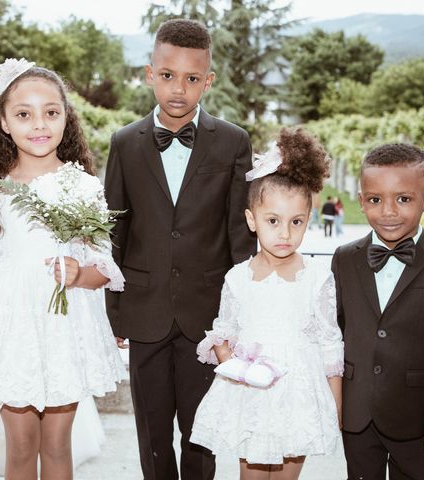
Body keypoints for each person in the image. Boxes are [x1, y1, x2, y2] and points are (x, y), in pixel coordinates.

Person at [0, 58, 126, 480]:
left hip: (61, 327)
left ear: (65, 118)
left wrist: (77, 274)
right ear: (3, 122)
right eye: (23, 114)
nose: (39, 124)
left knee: (56, 446)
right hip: (10, 328)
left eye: (51, 112)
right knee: (19, 449)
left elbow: (104, 270)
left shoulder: (83, 186)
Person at [104, 19, 256, 480]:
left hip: (206, 319)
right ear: (150, 74)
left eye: (192, 79)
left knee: (200, 432)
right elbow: (115, 231)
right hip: (144, 312)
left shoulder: (232, 142)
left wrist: (238, 317)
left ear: (207, 82)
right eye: (168, 75)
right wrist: (114, 315)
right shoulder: (125, 143)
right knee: (151, 433)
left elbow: (239, 238)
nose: (178, 88)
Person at [190, 127, 343, 480]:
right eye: (273, 221)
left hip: (298, 399)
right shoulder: (237, 278)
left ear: (309, 220)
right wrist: (235, 360)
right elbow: (223, 335)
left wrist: (335, 408)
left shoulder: (317, 277)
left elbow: (330, 345)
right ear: (252, 221)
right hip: (253, 397)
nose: (285, 234)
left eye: (296, 222)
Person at [331, 143, 424, 480]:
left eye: (404, 199)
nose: (389, 211)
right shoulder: (344, 257)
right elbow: (335, 332)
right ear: (362, 201)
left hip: (419, 417)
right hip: (357, 412)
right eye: (376, 199)